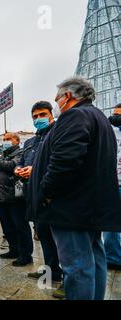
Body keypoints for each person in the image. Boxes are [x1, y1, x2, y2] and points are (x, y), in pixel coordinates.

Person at [29, 77, 121, 300]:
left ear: (68, 96)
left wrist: (46, 193)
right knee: (94, 259)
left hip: (71, 207)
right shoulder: (98, 117)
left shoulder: (75, 115)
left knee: (77, 266)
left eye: (57, 99)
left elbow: (65, 161)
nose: (57, 104)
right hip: (89, 205)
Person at [17, 101, 63, 293]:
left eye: (42, 115)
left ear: (51, 114)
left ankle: (70, 279)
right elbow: (20, 162)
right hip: (34, 194)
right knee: (43, 234)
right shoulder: (31, 141)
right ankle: (51, 271)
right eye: (35, 117)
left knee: (61, 239)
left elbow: (58, 160)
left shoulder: (58, 132)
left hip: (53, 194)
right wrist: (19, 170)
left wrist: (35, 170)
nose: (38, 119)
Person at [0, 133, 34, 267]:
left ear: (16, 141)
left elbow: (12, 167)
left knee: (21, 227)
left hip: (14, 197)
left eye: (8, 139)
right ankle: (14, 250)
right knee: (8, 227)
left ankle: (26, 255)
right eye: (4, 140)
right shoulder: (3, 155)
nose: (5, 141)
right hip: (1, 197)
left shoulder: (20, 153)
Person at [103, 103, 121, 271]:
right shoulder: (110, 132)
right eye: (114, 114)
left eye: (118, 115)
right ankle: (113, 258)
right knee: (111, 226)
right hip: (113, 183)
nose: (115, 117)